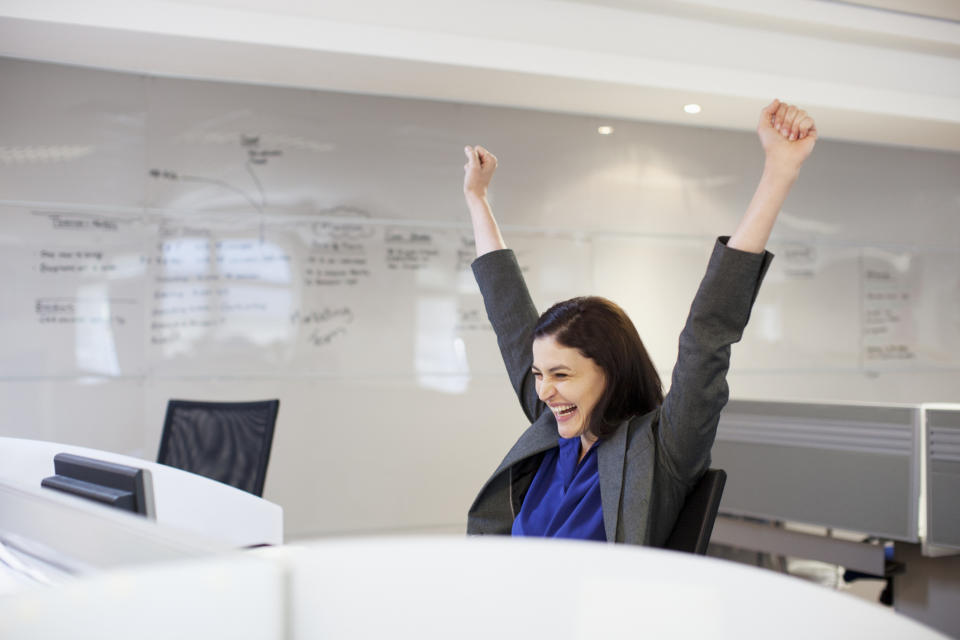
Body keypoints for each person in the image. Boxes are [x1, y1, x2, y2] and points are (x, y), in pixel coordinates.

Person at [462, 99, 816, 545]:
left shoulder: (662, 448)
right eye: (538, 374)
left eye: (560, 374)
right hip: (511, 602)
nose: (544, 389)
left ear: (609, 371)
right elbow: (508, 313)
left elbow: (706, 334)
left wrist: (780, 171)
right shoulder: (554, 427)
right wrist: (477, 199)